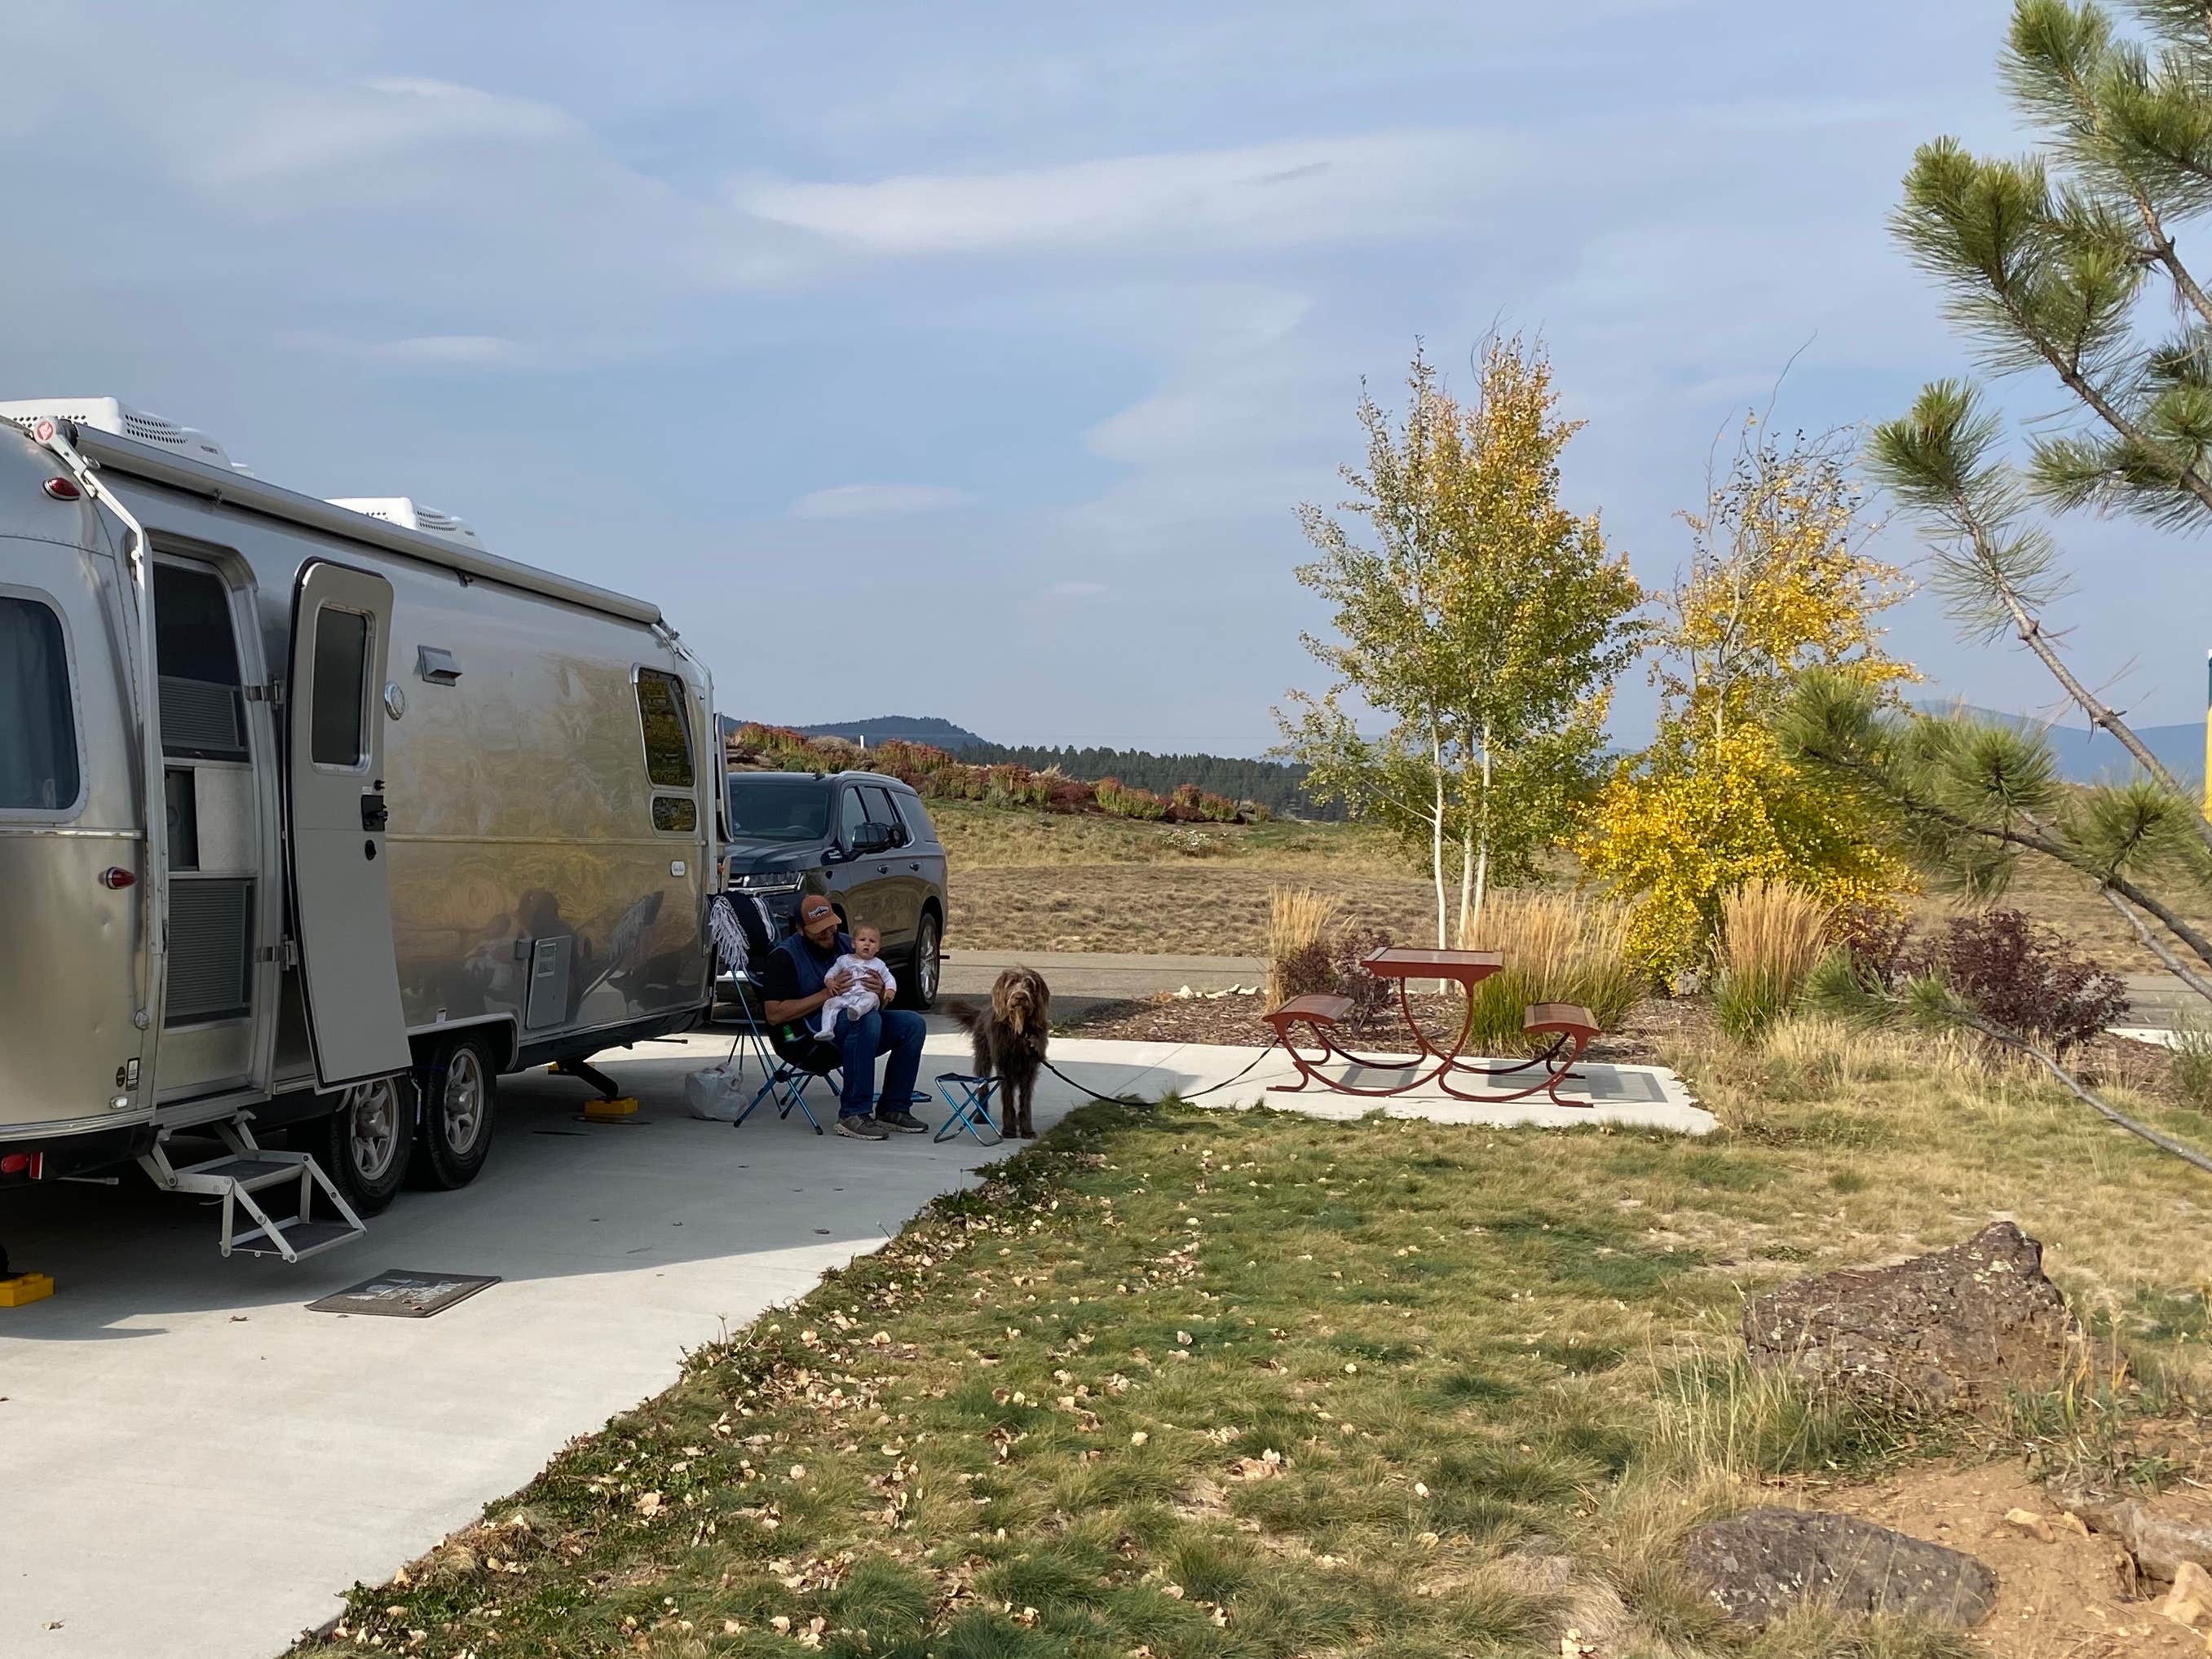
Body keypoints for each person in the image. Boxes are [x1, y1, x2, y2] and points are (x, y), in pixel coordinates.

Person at [759, 893, 928, 1140]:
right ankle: (853, 1114)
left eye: (831, 925)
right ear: (800, 929)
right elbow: (774, 1015)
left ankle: (894, 1108)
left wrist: (881, 991)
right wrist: (826, 994)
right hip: (808, 1036)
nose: (828, 933)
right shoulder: (785, 957)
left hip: (857, 1023)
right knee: (864, 1020)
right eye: (818, 929)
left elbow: (881, 998)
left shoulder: (851, 944)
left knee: (913, 1024)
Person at [813, 922, 895, 1039]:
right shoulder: (843, 960)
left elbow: (889, 978)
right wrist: (830, 982)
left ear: (877, 948)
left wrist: (890, 989)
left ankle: (858, 1010)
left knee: (873, 998)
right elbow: (831, 973)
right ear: (853, 944)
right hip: (846, 996)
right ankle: (827, 1030)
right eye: (862, 940)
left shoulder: (878, 964)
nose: (867, 943)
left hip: (866, 995)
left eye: (872, 941)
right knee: (829, 1004)